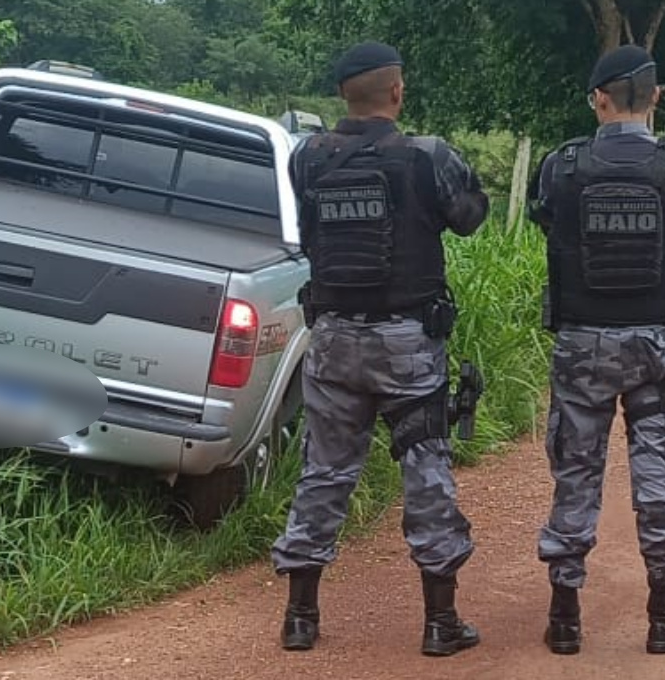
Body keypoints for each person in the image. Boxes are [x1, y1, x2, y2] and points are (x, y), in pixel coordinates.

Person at [270, 41, 490, 657]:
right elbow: (471, 215)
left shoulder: (306, 157)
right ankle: (440, 623)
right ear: (396, 92)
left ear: (343, 94)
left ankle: (299, 618)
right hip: (407, 342)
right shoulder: (426, 156)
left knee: (325, 469)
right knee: (425, 471)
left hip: (334, 337)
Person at [526, 44, 665, 656]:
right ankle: (664, 615)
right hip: (660, 345)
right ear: (656, 99)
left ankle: (565, 617)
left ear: (599, 99)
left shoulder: (558, 166)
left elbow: (551, 228)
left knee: (576, 477)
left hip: (582, 345)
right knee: (655, 475)